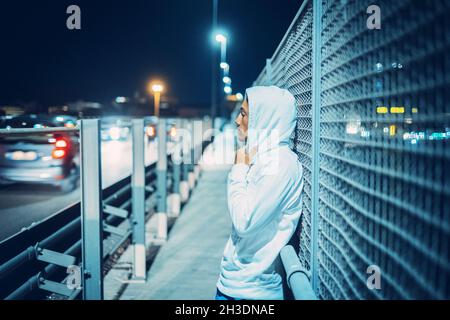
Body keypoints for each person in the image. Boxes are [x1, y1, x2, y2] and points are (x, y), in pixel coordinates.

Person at [215, 85, 304, 300]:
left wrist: (238, 167)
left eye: (244, 114)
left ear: (266, 119)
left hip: (253, 292)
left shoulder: (281, 164)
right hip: (234, 284)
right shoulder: (263, 157)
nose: (238, 120)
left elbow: (244, 222)